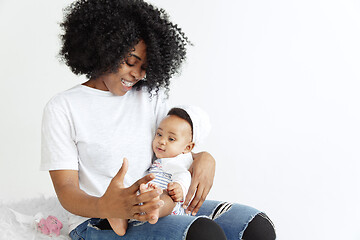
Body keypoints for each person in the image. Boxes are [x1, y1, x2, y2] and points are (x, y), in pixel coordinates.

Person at [41, 0, 276, 239]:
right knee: (203, 234)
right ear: (104, 48)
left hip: (159, 204)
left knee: (256, 226)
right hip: (96, 219)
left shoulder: (149, 96)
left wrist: (203, 158)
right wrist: (107, 205)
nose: (137, 74)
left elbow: (167, 148)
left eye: (145, 67)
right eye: (131, 61)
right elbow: (66, 191)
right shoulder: (64, 107)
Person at [108, 106, 211, 235]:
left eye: (171, 139)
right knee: (134, 198)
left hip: (169, 205)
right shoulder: (161, 159)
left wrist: (179, 187)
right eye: (159, 134)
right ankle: (119, 217)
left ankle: (154, 209)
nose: (162, 141)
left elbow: (183, 175)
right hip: (149, 196)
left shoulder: (179, 160)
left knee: (166, 198)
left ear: (188, 147)